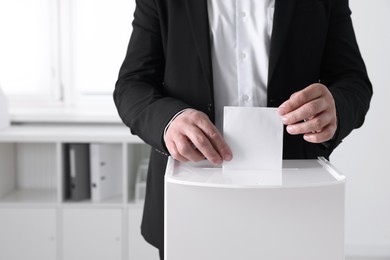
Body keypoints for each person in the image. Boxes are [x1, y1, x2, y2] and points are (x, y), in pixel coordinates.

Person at [114, 0, 372, 259]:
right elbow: (132, 84)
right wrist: (169, 120)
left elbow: (353, 81)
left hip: (295, 204)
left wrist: (335, 107)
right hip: (189, 202)